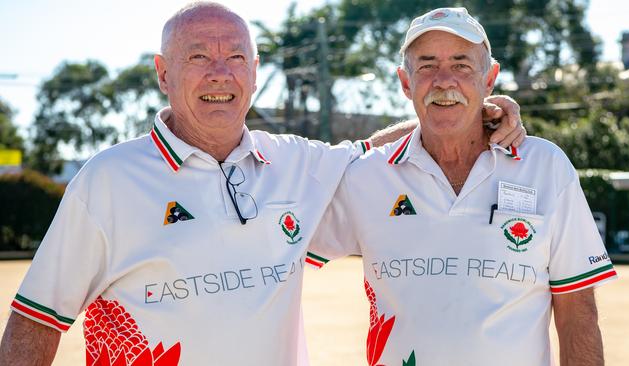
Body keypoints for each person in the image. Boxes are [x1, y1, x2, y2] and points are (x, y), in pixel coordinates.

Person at [0, 3, 525, 365]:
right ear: (164, 73)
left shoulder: (296, 164)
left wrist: (478, 108)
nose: (219, 73)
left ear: (254, 70)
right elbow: (35, 321)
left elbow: (375, 150)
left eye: (235, 57)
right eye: (198, 56)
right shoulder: (108, 179)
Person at [308, 7, 617, 366]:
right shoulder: (367, 176)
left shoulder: (544, 166)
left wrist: (457, 113)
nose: (444, 80)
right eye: (426, 66)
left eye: (461, 65)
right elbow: (282, 250)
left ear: (490, 79)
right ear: (405, 83)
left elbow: (577, 312)